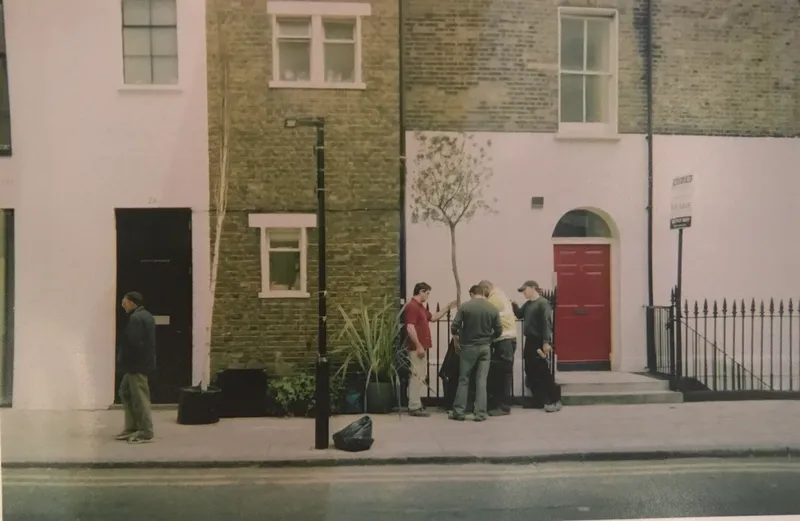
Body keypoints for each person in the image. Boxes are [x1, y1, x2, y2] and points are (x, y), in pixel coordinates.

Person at [449, 284, 503, 421]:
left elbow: (454, 326)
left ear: (472, 293)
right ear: (484, 293)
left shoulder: (466, 307)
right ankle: (480, 413)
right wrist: (490, 337)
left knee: (464, 379)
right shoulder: (492, 308)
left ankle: (459, 411)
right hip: (485, 347)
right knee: (481, 380)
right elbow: (499, 331)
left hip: (468, 347)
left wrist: (458, 336)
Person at [404, 282, 456, 417]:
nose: (428, 296)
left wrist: (448, 307)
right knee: (417, 375)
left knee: (420, 375)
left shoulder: (420, 307)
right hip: (417, 348)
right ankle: (414, 406)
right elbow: (410, 327)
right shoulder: (413, 307)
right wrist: (419, 345)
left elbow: (433, 318)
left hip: (420, 347)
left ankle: (415, 404)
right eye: (427, 293)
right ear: (421, 291)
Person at [513, 281, 562, 412]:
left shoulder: (543, 303)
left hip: (538, 340)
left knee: (542, 371)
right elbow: (519, 314)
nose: (524, 293)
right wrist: (512, 304)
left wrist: (546, 342)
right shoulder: (528, 304)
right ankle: (538, 399)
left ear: (533, 288)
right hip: (530, 340)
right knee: (530, 369)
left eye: (525, 290)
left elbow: (546, 323)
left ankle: (554, 399)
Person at [115, 291, 157, 443]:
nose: (122, 304)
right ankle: (132, 427)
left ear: (132, 303)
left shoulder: (136, 318)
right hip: (137, 364)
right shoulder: (145, 315)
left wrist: (125, 362)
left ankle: (146, 431)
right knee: (125, 392)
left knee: (140, 397)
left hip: (136, 365)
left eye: (124, 302)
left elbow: (134, 343)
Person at [479, 280, 517, 416]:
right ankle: (500, 404)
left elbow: (486, 315)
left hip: (504, 339)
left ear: (485, 288)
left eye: (482, 292)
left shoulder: (494, 298)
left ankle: (503, 406)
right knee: (501, 372)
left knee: (503, 374)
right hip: (506, 339)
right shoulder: (500, 295)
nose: (482, 295)